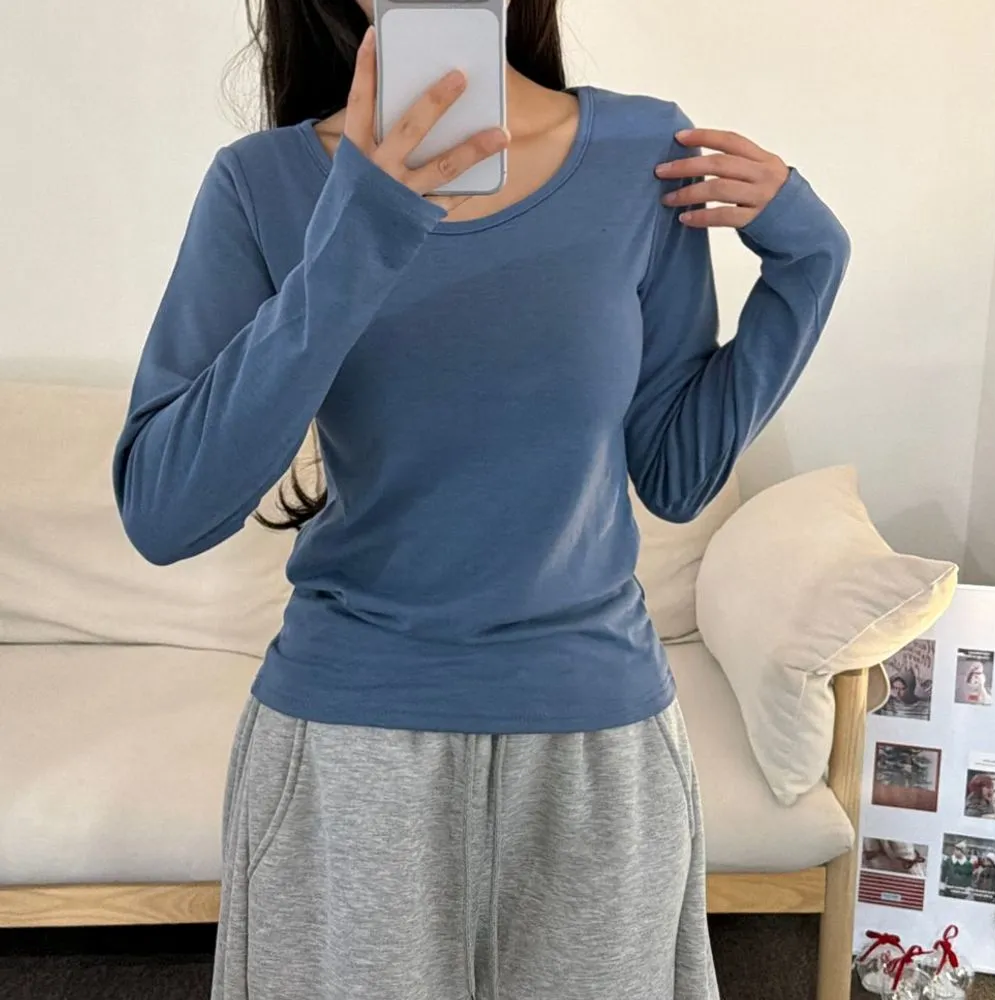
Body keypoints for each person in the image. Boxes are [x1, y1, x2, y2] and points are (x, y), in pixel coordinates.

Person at [112, 1, 849, 997]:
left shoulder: (641, 152)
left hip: (597, 743)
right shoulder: (263, 184)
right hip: (349, 746)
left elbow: (677, 472)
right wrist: (358, 230)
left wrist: (808, 261)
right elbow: (163, 510)